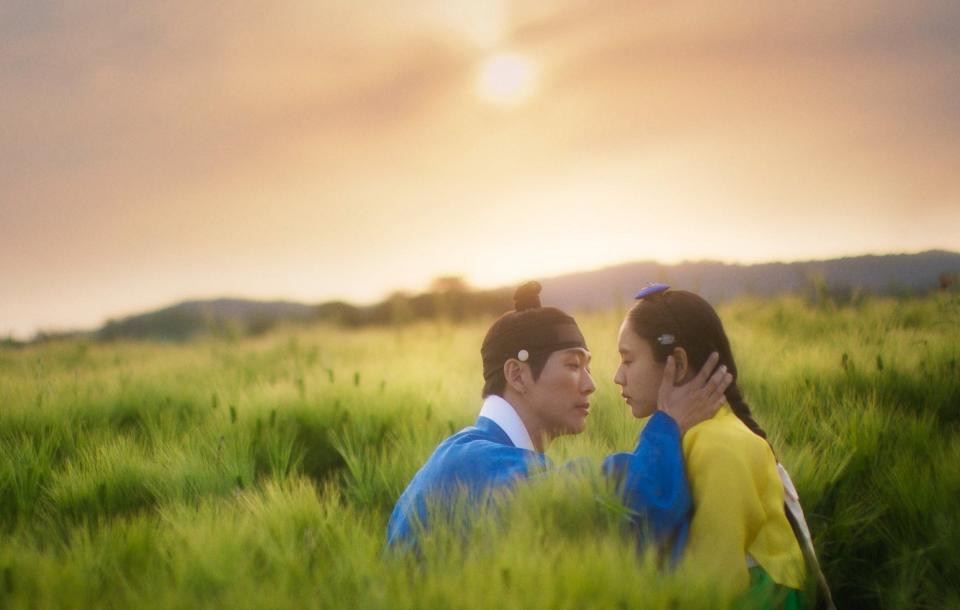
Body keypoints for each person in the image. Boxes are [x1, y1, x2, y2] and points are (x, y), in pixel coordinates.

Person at [387, 281, 732, 552]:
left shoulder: (469, 454)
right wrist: (669, 423)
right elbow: (632, 506)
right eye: (572, 365)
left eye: (588, 367)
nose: (592, 384)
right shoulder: (472, 465)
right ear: (517, 375)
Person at [613, 283, 826, 608]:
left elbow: (712, 588)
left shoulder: (719, 445)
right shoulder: (692, 436)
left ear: (678, 364)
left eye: (628, 360)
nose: (617, 376)